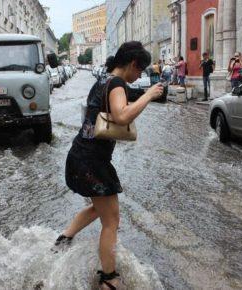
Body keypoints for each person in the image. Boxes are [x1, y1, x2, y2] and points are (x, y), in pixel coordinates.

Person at [57, 41, 163, 290]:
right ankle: (109, 279)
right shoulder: (116, 84)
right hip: (92, 160)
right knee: (112, 221)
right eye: (140, 70)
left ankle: (63, 240)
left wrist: (136, 95)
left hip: (81, 154)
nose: (139, 76)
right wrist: (148, 95)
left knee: (98, 208)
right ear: (133, 64)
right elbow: (122, 116)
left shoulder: (103, 81)